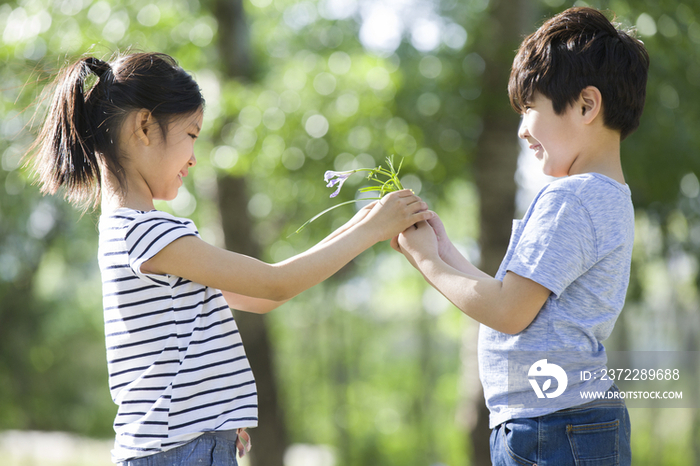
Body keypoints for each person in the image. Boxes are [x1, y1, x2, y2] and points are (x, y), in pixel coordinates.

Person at [27, 52, 433, 465]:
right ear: (144, 126)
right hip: (181, 452)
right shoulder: (148, 235)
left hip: (186, 448)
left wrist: (363, 223)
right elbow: (275, 283)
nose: (193, 157)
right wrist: (371, 230)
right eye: (191, 134)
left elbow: (267, 298)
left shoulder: (136, 236)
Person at [391, 7, 649, 465]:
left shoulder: (569, 199)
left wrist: (426, 262)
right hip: (566, 421)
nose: (522, 128)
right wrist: (444, 249)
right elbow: (514, 297)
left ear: (587, 105)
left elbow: (508, 313)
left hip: (551, 426)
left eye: (531, 108)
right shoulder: (607, 196)